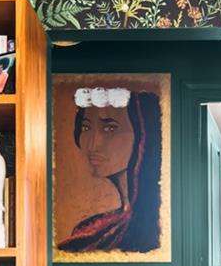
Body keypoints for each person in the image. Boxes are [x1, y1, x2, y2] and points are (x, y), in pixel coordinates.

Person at [59, 87, 162, 253]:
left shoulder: (153, 226)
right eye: (86, 128)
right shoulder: (87, 231)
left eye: (109, 129)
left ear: (143, 133)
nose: (93, 144)